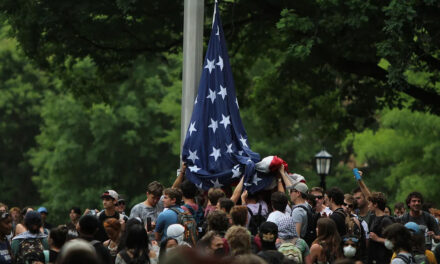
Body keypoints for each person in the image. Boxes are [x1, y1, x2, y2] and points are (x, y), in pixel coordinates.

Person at [367, 192, 394, 264]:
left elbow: (393, 242)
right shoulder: (373, 218)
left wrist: (377, 239)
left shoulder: (386, 220)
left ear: (375, 204)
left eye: (369, 203)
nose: (368, 206)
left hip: (384, 259)